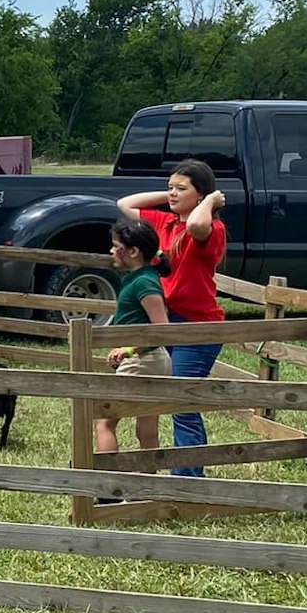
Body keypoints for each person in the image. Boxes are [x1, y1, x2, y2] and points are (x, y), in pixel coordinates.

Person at [116, 158, 228, 476]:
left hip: (198, 326)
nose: (173, 194)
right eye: (170, 188)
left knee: (182, 402)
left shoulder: (212, 229)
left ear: (202, 194)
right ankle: (158, 472)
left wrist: (208, 201)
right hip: (166, 320)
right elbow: (125, 203)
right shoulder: (164, 223)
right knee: (159, 399)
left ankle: (188, 480)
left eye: (181, 188)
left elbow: (196, 226)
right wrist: (169, 196)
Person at [93, 218, 171, 482]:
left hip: (143, 360)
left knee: (104, 421)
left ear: (134, 252)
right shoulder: (141, 277)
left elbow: (161, 329)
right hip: (152, 360)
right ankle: (147, 484)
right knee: (147, 428)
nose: (112, 252)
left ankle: (108, 486)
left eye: (116, 247)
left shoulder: (144, 283)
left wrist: (128, 349)